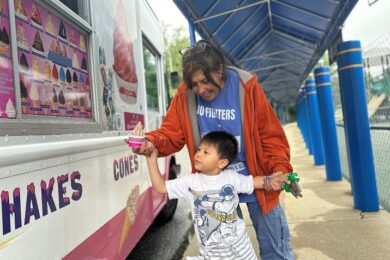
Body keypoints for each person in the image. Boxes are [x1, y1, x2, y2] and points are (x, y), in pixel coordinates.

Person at [131, 40, 294, 259]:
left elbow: (271, 135)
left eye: (204, 81)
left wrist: (280, 168)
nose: (200, 89)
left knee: (276, 250)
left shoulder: (247, 85)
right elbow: (171, 134)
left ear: (219, 70)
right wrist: (150, 142)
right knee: (224, 253)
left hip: (256, 177)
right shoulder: (185, 94)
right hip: (213, 187)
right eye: (194, 84)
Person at [135, 126, 289, 260]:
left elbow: (255, 182)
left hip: (241, 251)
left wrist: (273, 179)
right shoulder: (190, 182)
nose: (198, 154)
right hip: (212, 254)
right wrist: (151, 160)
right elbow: (161, 187)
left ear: (222, 162)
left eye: (206, 152)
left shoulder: (231, 178)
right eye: (199, 149)